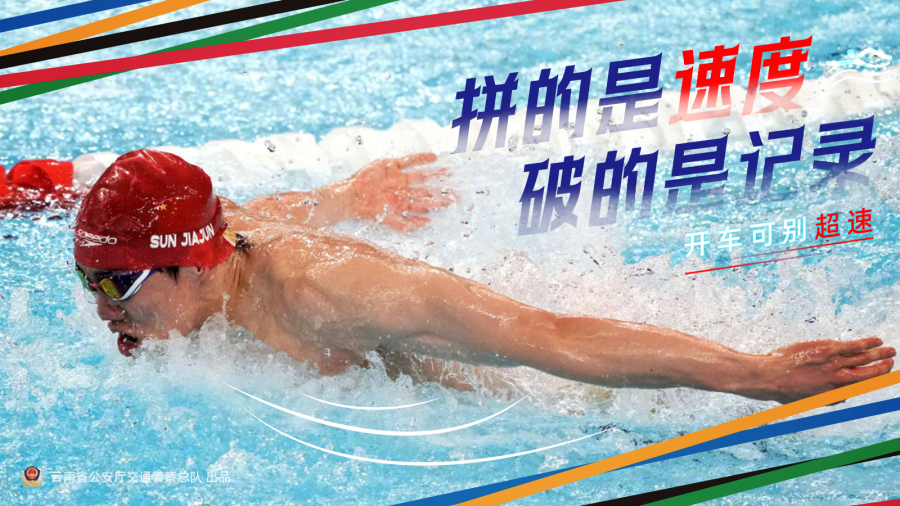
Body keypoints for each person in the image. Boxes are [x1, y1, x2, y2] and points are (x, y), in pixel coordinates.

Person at [73, 149, 895, 403]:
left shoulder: (332, 293)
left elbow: (546, 337)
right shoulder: (216, 250)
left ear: (192, 262)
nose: (100, 305)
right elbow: (269, 207)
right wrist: (349, 194)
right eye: (88, 279)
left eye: (115, 284)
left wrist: (750, 374)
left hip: (535, 396)